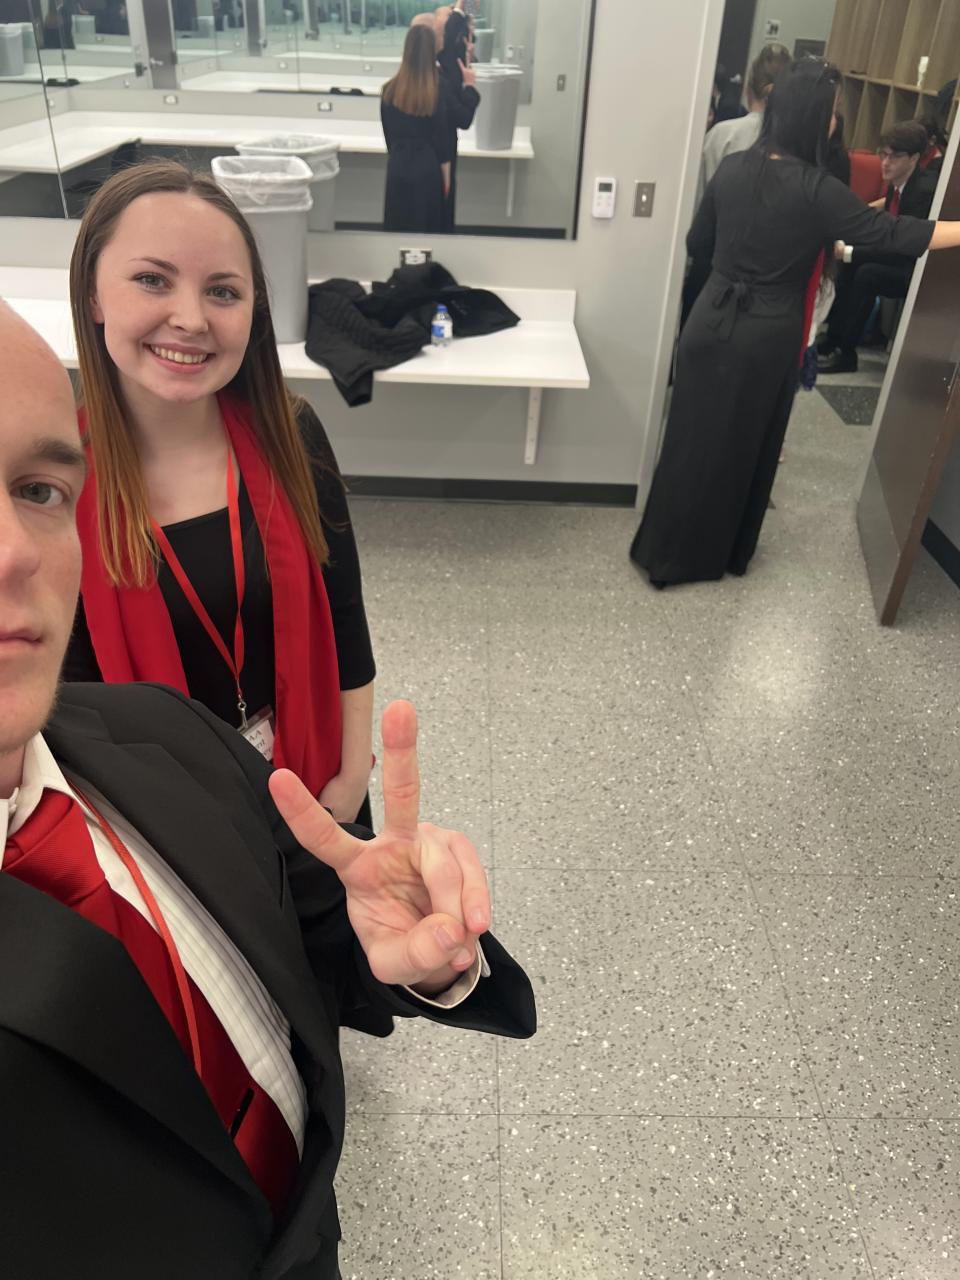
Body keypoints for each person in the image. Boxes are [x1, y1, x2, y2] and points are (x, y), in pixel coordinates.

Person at [0, 297, 535, 1277]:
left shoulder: (165, 733)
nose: (12, 552)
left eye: (37, 489)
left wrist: (416, 956)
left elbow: (314, 946)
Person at [62, 162, 376, 828]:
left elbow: (345, 620)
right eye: (153, 280)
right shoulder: (55, 485)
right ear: (92, 294)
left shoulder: (291, 434)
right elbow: (69, 715)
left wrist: (350, 782)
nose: (191, 319)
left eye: (223, 291)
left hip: (316, 792)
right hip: (167, 831)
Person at [630, 59, 960, 589]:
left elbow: (698, 244)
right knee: (739, 445)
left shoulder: (735, 167)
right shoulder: (815, 187)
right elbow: (892, 235)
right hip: (766, 331)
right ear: (813, 117)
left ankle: (661, 549)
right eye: (832, 112)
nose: (835, 122)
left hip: (709, 318)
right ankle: (709, 554)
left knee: (689, 439)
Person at [684, 43, 792, 328]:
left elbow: (699, 206)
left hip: (715, 265)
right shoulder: (798, 147)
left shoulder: (722, 135)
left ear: (747, 89)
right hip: (771, 278)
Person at [818, 120, 939, 375]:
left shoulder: (922, 192)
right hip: (896, 254)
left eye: (894, 157)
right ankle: (833, 338)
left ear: (914, 158)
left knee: (866, 273)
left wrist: (850, 251)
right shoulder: (900, 182)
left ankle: (847, 354)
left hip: (916, 267)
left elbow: (901, 246)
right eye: (884, 154)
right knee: (850, 265)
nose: (885, 162)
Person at [381, 24, 452, 233]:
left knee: (397, 225)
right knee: (427, 229)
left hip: (398, 164)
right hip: (427, 167)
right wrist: (447, 178)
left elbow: (389, 136)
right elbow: (442, 141)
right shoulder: (439, 89)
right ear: (432, 52)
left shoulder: (389, 90)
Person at [436, 1, 481, 231]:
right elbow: (463, 119)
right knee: (442, 204)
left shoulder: (446, 66)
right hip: (442, 149)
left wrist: (469, 56)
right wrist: (461, 6)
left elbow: (463, 25)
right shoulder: (441, 77)